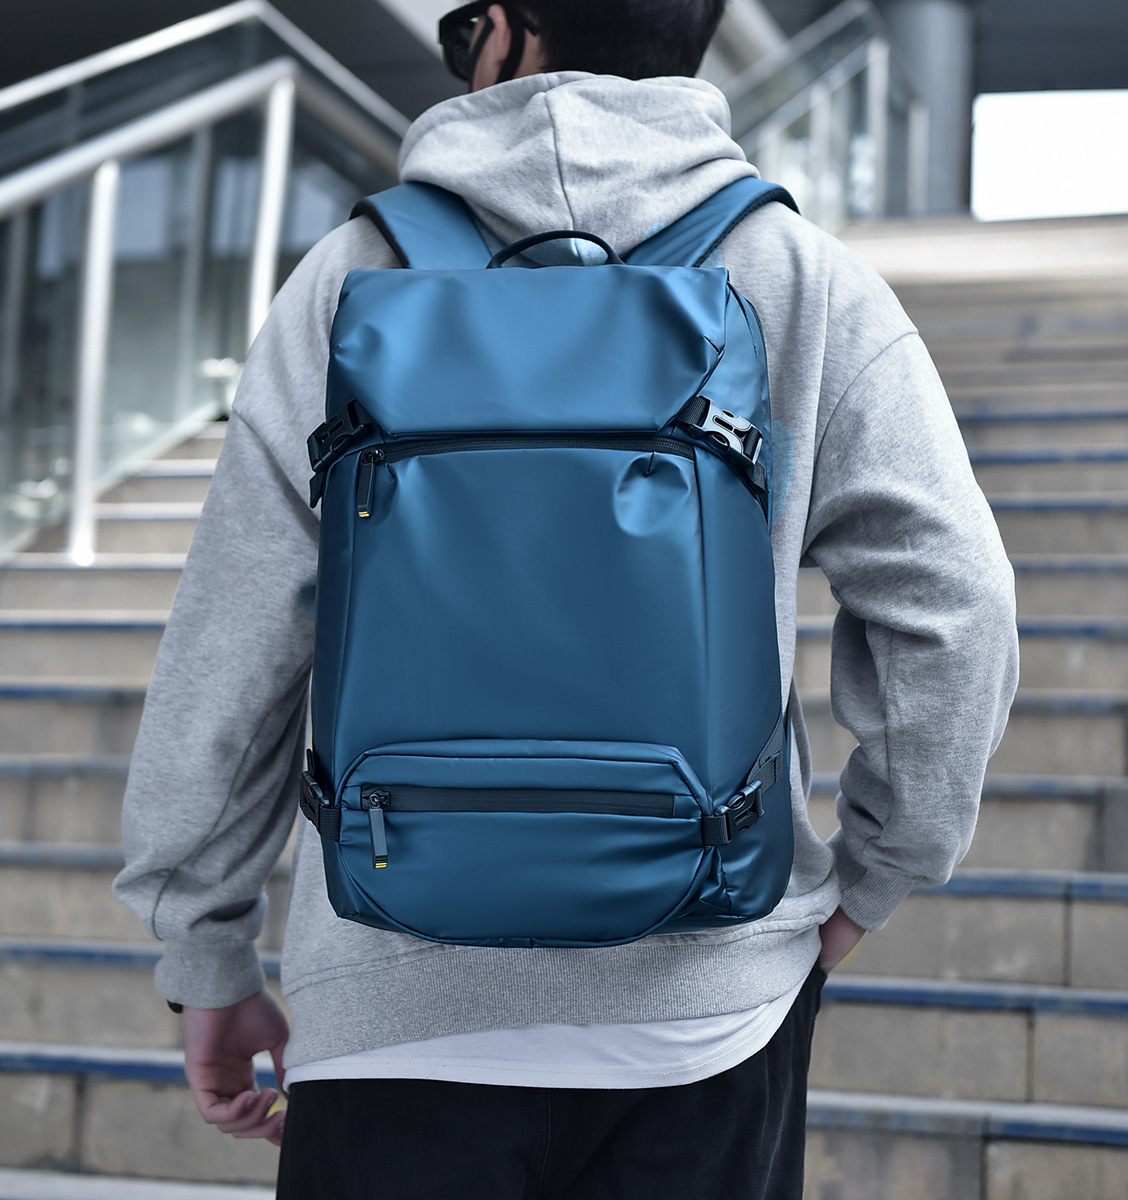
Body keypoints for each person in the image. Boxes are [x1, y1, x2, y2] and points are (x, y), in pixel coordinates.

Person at [114, 3, 1019, 1196]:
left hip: (391, 1010)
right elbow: (955, 605)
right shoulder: (801, 277)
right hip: (705, 1014)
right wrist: (875, 874)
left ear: (511, 32)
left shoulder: (351, 275)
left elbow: (236, 641)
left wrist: (206, 949)